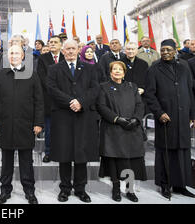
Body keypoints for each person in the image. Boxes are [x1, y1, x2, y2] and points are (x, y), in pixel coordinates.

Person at [0, 45, 44, 205]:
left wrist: (38, 123)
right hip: (5, 124)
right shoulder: (0, 75)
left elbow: (39, 101)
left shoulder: (32, 75)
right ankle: (5, 190)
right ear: (8, 56)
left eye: (16, 53)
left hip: (26, 125)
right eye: (11, 53)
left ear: (23, 56)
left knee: (26, 161)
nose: (13, 56)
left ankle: (29, 191)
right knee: (6, 160)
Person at [48, 39, 99, 203]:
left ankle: (80, 189)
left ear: (78, 50)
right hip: (63, 116)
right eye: (67, 49)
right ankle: (65, 189)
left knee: (81, 153)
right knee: (64, 154)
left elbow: (95, 89)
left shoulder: (90, 68)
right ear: (62, 51)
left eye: (73, 48)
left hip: (83, 115)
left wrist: (81, 102)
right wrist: (71, 101)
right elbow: (51, 89)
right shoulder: (54, 69)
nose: (70, 51)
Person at [144, 39, 195, 199]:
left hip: (183, 117)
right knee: (166, 151)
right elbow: (150, 94)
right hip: (166, 117)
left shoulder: (184, 67)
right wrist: (159, 113)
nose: (165, 52)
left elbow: (190, 91)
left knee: (183, 151)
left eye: (168, 50)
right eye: (162, 50)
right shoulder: (154, 69)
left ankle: (181, 185)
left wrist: (192, 115)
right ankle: (165, 184)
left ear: (175, 50)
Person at [97, 61, 147, 202]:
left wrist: (136, 120)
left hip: (132, 129)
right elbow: (101, 107)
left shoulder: (132, 86)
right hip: (112, 130)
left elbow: (139, 105)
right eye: (114, 69)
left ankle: (130, 190)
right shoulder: (103, 87)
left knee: (130, 162)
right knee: (114, 161)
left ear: (124, 72)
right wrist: (117, 119)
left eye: (120, 69)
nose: (117, 71)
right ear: (110, 72)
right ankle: (116, 189)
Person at [37, 36, 64, 163]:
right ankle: (48, 152)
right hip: (49, 98)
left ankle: (62, 152)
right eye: (50, 42)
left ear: (60, 44)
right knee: (49, 129)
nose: (52, 44)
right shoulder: (43, 58)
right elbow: (43, 78)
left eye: (55, 42)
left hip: (65, 100)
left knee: (64, 129)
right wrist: (56, 91)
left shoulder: (65, 57)